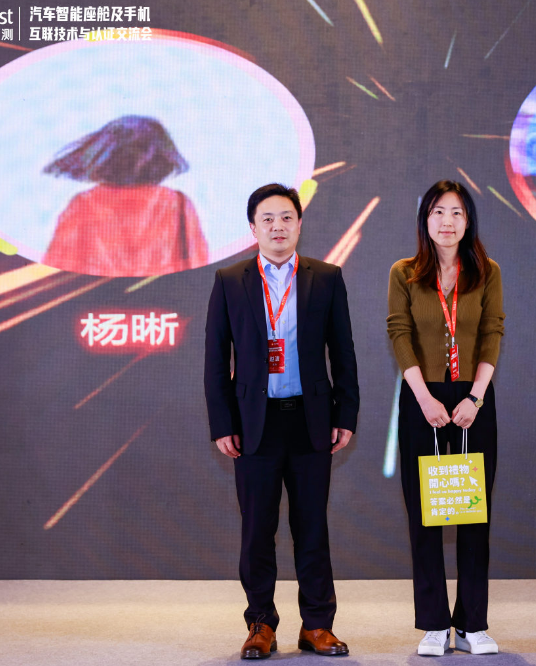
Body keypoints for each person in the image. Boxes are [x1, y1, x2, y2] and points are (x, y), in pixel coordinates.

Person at [204, 183, 359, 659]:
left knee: (312, 527)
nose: (278, 226)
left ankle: (317, 625)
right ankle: (260, 624)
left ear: (299, 224)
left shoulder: (326, 277)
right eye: (267, 219)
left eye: (287, 217)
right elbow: (215, 359)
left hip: (311, 421)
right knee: (257, 530)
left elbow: (343, 352)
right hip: (254, 424)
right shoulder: (230, 280)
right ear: (253, 228)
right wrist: (222, 423)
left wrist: (345, 414)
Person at [387, 180, 505, 656]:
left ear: (468, 220)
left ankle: (472, 623)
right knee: (425, 514)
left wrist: (475, 398)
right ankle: (434, 623)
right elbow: (399, 333)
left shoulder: (488, 272)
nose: (447, 221)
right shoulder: (404, 272)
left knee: (474, 513)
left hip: (473, 400)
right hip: (423, 398)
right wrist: (424, 398)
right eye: (438, 212)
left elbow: (493, 333)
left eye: (456, 212)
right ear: (425, 220)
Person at [43, 115, 209, 276]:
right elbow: (198, 266)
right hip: (161, 294)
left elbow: (57, 270)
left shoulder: (83, 204)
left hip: (99, 294)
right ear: (163, 156)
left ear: (105, 156)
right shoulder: (178, 203)